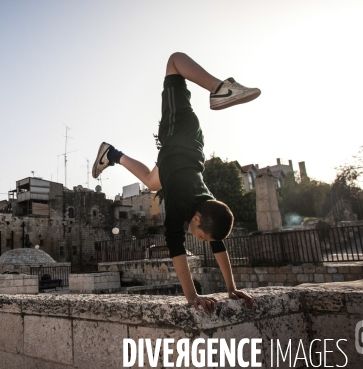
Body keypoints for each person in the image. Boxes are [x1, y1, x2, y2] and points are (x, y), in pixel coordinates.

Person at [92, 52, 257, 313]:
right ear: (197, 220)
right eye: (202, 236)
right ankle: (220, 89)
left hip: (182, 152)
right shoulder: (182, 205)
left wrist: (231, 287)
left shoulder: (206, 202)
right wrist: (192, 297)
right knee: (174, 61)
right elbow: (176, 249)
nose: (202, 241)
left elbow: (218, 243)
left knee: (152, 182)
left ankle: (110, 154)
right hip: (177, 131)